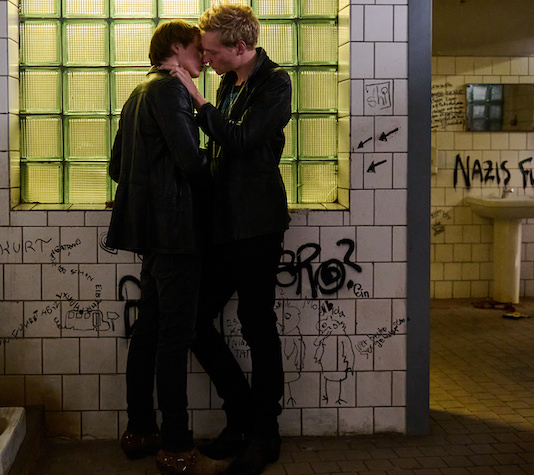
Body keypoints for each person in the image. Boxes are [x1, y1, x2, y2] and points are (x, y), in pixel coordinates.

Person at [170, 3, 292, 474]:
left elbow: (241, 140)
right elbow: (223, 149)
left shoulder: (274, 83)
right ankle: (240, 416)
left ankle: (265, 434)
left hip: (258, 224)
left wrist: (197, 100)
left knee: (256, 324)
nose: (205, 58)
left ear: (241, 47)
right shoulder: (228, 83)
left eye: (212, 51)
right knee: (196, 320)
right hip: (224, 224)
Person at [106, 20, 222, 475]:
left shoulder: (138, 93)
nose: (204, 60)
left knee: (148, 332)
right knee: (174, 338)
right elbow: (191, 162)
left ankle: (140, 430)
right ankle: (176, 446)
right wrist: (223, 170)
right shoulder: (172, 91)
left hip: (152, 236)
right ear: (176, 48)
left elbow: (117, 166)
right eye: (197, 50)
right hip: (177, 234)